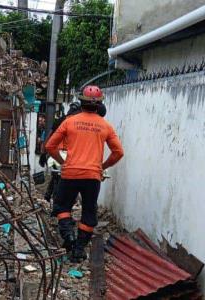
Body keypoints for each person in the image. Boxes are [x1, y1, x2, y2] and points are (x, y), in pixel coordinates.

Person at [45, 85, 124, 263]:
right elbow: (118, 152)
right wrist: (101, 165)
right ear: (99, 105)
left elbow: (50, 146)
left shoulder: (70, 122)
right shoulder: (105, 126)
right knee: (89, 211)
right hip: (92, 177)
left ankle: (69, 238)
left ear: (81, 102)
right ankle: (79, 250)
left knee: (62, 206)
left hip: (70, 173)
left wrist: (64, 162)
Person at [40, 101, 107, 202]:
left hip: (62, 157)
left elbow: (49, 140)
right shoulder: (76, 123)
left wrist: (44, 153)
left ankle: (52, 199)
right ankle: (57, 200)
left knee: (57, 178)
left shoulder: (65, 121)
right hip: (69, 158)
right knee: (59, 180)